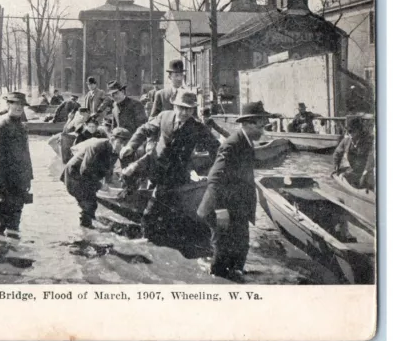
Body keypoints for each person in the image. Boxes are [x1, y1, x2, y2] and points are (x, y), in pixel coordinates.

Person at [120, 91, 220, 241]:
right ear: (174, 106)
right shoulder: (164, 116)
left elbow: (216, 149)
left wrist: (215, 171)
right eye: (181, 108)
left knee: (155, 206)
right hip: (154, 162)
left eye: (189, 109)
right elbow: (144, 129)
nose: (184, 112)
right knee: (128, 175)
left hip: (175, 172)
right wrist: (130, 146)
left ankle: (147, 234)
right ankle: (129, 199)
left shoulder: (197, 127)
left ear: (193, 110)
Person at [196, 102, 275, 282]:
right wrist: (221, 210)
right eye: (261, 126)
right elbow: (215, 178)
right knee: (222, 253)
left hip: (237, 207)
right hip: (220, 208)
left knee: (240, 247)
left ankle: (235, 274)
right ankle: (218, 282)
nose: (263, 131)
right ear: (248, 124)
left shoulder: (246, 143)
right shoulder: (231, 145)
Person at [61, 128, 132, 228]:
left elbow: (108, 167)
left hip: (88, 176)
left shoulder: (116, 150)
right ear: (112, 139)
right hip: (74, 175)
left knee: (90, 203)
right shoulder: (97, 147)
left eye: (126, 143)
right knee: (90, 204)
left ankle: (89, 223)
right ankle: (87, 231)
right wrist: (100, 185)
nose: (123, 146)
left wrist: (110, 182)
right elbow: (85, 171)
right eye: (120, 142)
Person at [0, 92, 34, 238]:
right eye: (15, 104)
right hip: (6, 184)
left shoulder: (22, 127)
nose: (19, 107)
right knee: (1, 222)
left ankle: (14, 253)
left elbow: (26, 155)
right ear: (8, 104)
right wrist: (2, 186)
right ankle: (0, 255)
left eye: (22, 105)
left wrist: (28, 178)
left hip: (20, 182)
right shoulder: (0, 128)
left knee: (15, 222)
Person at [333, 116, 375, 189]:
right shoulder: (346, 141)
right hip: (354, 170)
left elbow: (371, 159)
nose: (350, 134)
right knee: (342, 176)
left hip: (369, 171)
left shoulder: (369, 141)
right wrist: (336, 165)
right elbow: (337, 153)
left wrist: (365, 174)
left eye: (353, 131)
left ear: (359, 130)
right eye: (349, 131)